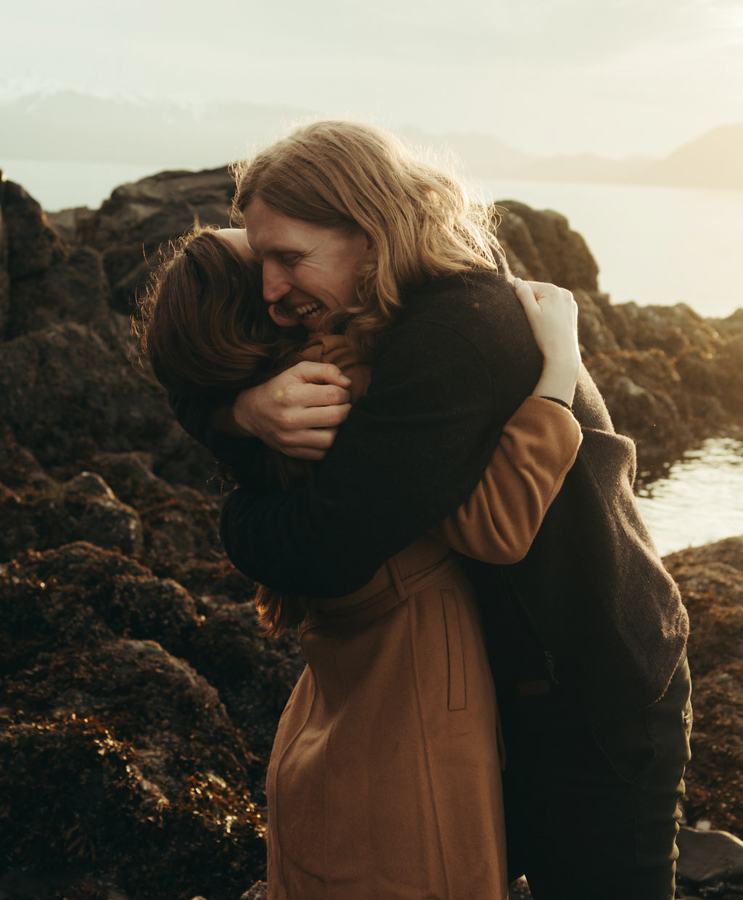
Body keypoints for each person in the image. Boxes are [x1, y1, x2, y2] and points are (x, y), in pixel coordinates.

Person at [170, 121, 692, 900]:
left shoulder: (456, 327)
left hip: (592, 696)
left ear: (370, 229)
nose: (271, 291)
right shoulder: (388, 305)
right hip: (509, 686)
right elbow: (191, 344)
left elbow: (320, 545)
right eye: (262, 258)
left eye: (288, 258)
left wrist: (231, 509)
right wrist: (237, 412)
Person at [140, 225, 583, 899]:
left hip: (338, 675)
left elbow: (184, 369)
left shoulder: (274, 397)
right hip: (415, 673)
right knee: (426, 865)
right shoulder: (342, 382)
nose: (276, 266)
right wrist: (556, 374)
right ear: (271, 307)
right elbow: (495, 521)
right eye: (266, 258)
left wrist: (235, 412)